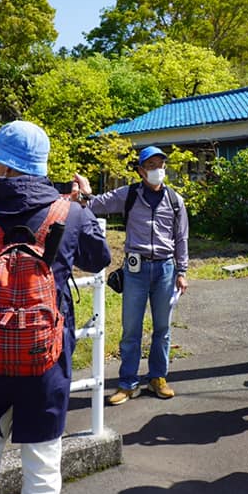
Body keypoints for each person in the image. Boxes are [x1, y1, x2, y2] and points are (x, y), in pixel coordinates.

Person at [0, 121, 111, 494]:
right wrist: (83, 203)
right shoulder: (72, 214)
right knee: (43, 468)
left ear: (3, 164)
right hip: (45, 361)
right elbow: (99, 258)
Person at [73, 146, 189, 405]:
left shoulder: (175, 200)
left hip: (165, 270)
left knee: (162, 328)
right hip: (135, 270)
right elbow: (95, 204)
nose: (158, 170)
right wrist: (84, 192)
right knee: (131, 329)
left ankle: (158, 377)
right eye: (151, 166)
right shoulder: (129, 194)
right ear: (140, 170)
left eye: (161, 165)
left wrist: (182, 271)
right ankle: (127, 383)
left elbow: (181, 238)